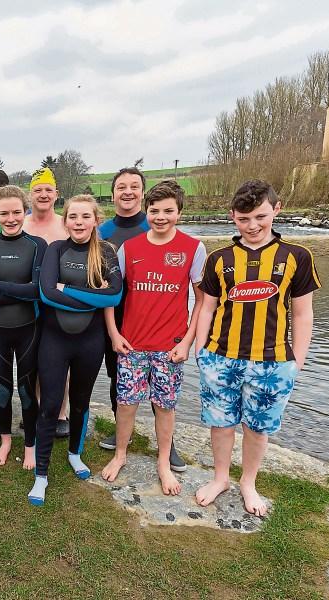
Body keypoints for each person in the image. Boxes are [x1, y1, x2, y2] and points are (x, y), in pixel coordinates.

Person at [194, 180, 320, 517]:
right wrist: (201, 351)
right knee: (221, 424)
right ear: (232, 216)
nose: (252, 226)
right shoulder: (219, 259)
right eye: (244, 219)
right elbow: (206, 307)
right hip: (220, 357)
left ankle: (248, 482)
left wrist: (297, 360)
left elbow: (303, 313)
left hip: (272, 362)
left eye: (260, 217)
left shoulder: (297, 257)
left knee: (257, 427)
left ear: (276, 210)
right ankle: (220, 477)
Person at [100, 181, 206, 495]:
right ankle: (120, 454)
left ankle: (163, 462)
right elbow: (111, 294)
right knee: (126, 403)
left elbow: (202, 301)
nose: (161, 217)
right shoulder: (129, 249)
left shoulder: (193, 248)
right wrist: (114, 333)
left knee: (165, 405)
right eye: (155, 210)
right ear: (147, 211)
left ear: (179, 213)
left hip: (169, 347)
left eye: (168, 211)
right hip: (132, 344)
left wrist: (187, 342)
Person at [28, 195, 123, 507]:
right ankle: (41, 474)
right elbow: (46, 293)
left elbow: (114, 296)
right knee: (50, 405)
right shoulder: (56, 249)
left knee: (80, 403)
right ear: (65, 220)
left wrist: (67, 289)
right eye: (73, 217)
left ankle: (74, 454)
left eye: (85, 217)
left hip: (90, 342)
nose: (79, 222)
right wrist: (92, 296)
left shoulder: (106, 252)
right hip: (54, 341)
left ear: (95, 220)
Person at [0, 185, 47, 467]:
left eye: (16, 212)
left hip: (29, 328)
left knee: (27, 390)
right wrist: (20, 290)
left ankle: (30, 445)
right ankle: (5, 441)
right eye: (4, 213)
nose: (11, 218)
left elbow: (38, 291)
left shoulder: (37, 245)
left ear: (25, 211)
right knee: (2, 389)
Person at [23, 167, 71, 439]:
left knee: (59, 361)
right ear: (30, 195)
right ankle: (37, 409)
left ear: (56, 194)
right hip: (27, 303)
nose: (43, 195)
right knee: (31, 361)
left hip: (59, 304)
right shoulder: (21, 224)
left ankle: (61, 412)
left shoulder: (66, 224)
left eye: (48, 190)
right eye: (38, 190)